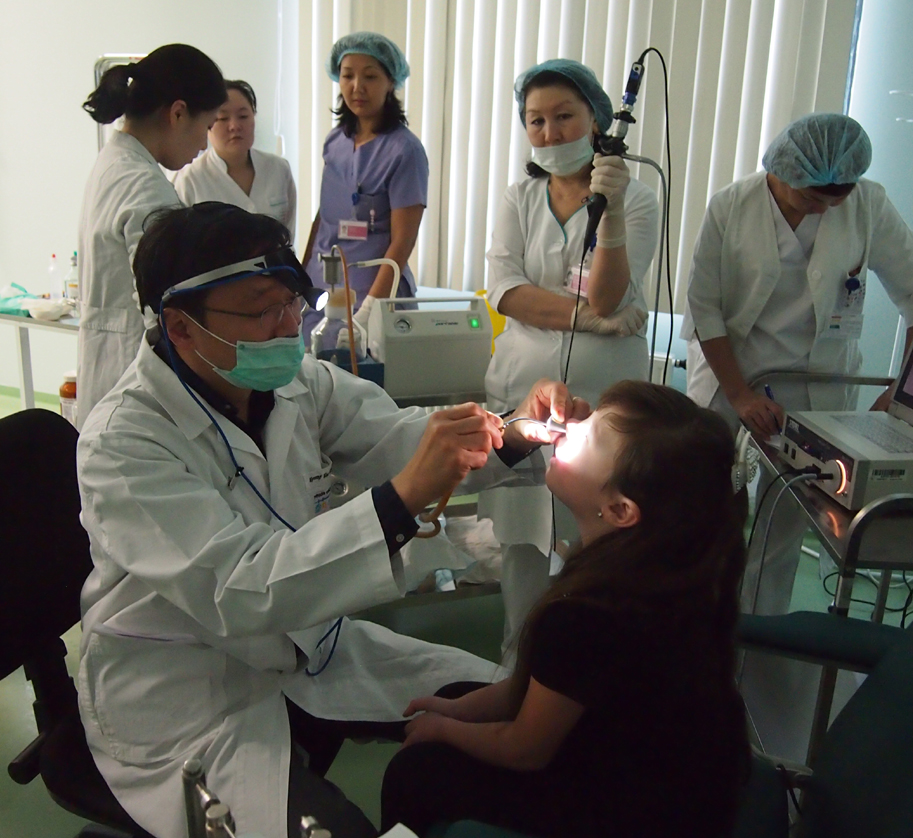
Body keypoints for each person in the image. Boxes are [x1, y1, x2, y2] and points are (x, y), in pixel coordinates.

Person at [74, 202, 585, 838]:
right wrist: (400, 501)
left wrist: (513, 432)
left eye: (292, 301)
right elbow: (241, 586)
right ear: (180, 327)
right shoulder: (124, 443)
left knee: (529, 714)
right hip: (191, 690)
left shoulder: (297, 384)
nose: (290, 325)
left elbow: (397, 437)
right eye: (262, 311)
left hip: (316, 646)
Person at [381, 381, 751, 838]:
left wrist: (443, 731)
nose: (568, 427)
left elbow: (524, 748)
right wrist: (455, 710)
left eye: (589, 436)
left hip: (632, 813)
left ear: (620, 509)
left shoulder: (587, 616)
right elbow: (547, 687)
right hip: (682, 779)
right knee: (458, 695)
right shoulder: (668, 576)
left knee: (413, 772)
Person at [680, 112, 913, 760]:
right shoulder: (732, 206)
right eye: (813, 194)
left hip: (818, 390)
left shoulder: (866, 206)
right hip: (732, 377)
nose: (826, 205)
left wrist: (904, 387)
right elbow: (705, 308)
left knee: (781, 532)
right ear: (779, 170)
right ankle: (693, 647)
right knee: (705, 518)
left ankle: (758, 655)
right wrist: (740, 393)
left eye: (837, 194)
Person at [477, 59, 660, 654]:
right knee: (523, 540)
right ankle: (517, 664)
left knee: (601, 540)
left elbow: (608, 291)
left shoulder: (638, 199)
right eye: (536, 121)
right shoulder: (520, 197)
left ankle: (587, 672)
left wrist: (611, 212)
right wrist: (595, 319)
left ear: (597, 120)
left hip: (603, 396)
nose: (550, 132)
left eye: (564, 116)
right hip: (523, 387)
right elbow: (506, 291)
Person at [76, 44, 228, 426]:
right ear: (177, 113)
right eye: (207, 127)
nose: (204, 145)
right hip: (135, 384)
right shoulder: (144, 188)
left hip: (110, 372)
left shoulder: (114, 162)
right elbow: (166, 307)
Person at [302, 31, 427, 344]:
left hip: (374, 290)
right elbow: (324, 217)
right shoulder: (335, 142)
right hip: (323, 287)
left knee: (364, 367)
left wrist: (370, 310)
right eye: (348, 76)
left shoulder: (405, 151)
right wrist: (300, 281)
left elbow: (403, 241)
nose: (357, 86)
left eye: (370, 76)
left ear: (390, 82)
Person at [174, 79, 297, 235]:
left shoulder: (278, 168)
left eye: (243, 116)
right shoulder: (189, 180)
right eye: (223, 118)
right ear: (208, 123)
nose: (234, 126)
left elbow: (288, 234)